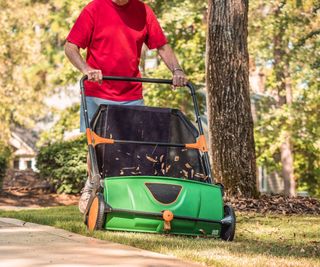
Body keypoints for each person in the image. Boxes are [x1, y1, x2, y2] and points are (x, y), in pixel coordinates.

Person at [65, 0, 187, 213]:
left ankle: (129, 195)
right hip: (98, 92)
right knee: (97, 146)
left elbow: (162, 46)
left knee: (133, 149)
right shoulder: (95, 9)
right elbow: (70, 47)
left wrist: (176, 70)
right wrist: (86, 68)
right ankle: (92, 185)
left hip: (131, 93)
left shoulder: (142, 11)